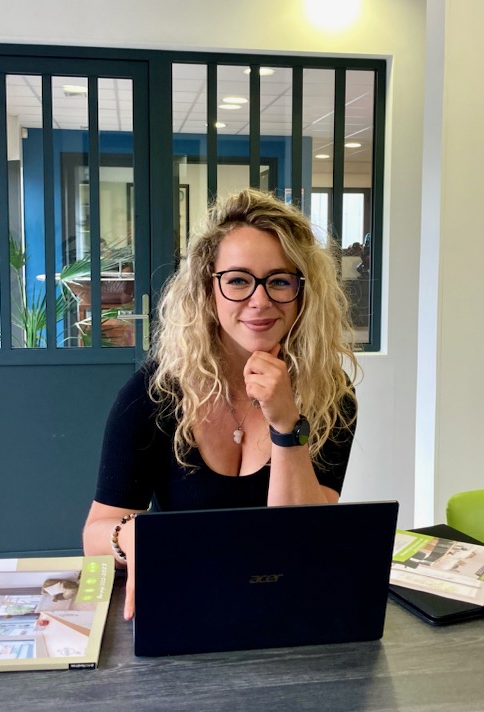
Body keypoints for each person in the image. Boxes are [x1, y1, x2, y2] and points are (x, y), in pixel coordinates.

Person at [82, 188, 360, 619]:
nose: (260, 300)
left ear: (303, 293)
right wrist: (131, 534)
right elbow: (95, 535)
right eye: (238, 280)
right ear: (207, 289)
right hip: (186, 609)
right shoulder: (154, 393)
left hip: (285, 612)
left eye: (280, 281)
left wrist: (287, 426)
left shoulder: (330, 394)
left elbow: (303, 542)